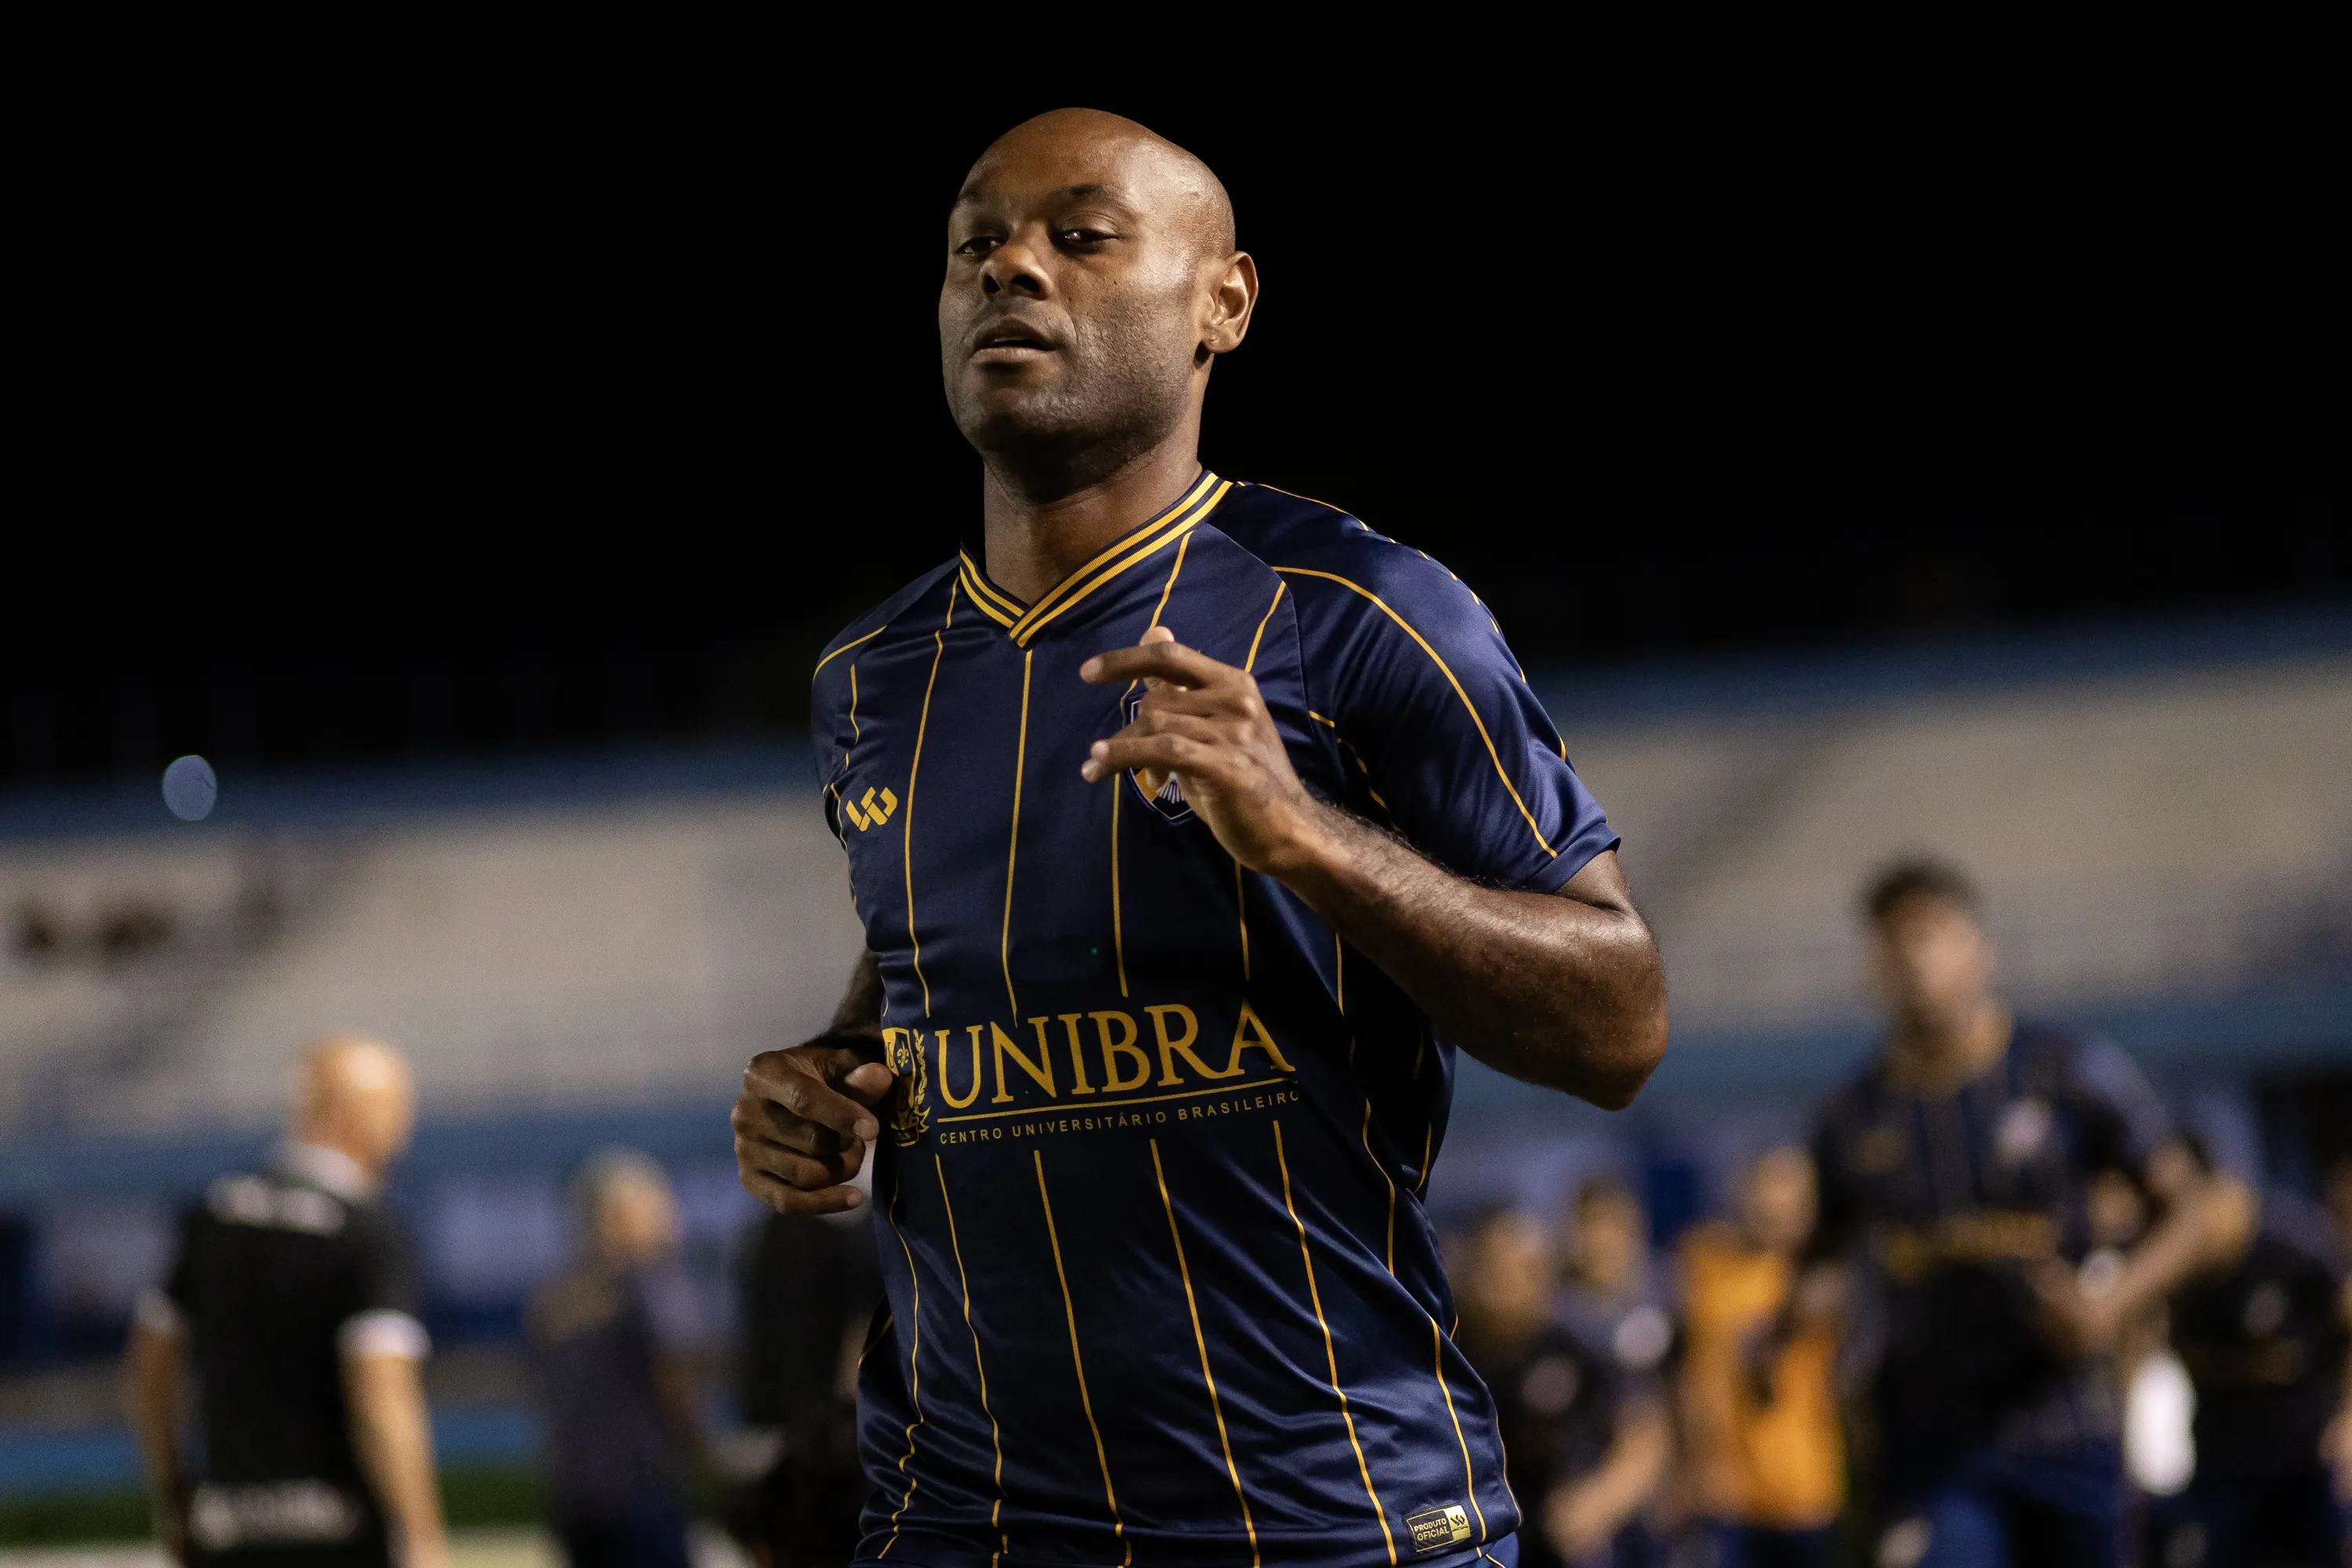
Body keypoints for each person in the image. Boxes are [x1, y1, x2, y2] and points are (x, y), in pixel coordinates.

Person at [731, 107, 1668, 1566]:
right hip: (959, 1524)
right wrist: (828, 1083)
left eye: (1080, 237)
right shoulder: (870, 678)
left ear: (1224, 300)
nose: (1011, 271)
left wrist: (1307, 839)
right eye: (976, 244)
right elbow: (929, 967)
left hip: (1323, 1518)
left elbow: (1620, 1021)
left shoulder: (1361, 611)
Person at [1789, 861, 2235, 1568]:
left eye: (1930, 933)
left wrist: (2110, 1303)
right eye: (1892, 942)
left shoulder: (2065, 1070)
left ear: (1980, 950)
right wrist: (1791, 1325)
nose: (1913, 957)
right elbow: (1818, 1262)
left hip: (2069, 1425)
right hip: (1930, 1447)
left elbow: (2191, 1211)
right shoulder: (1851, 1117)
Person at [123, 1036, 446, 1568]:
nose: (401, 1131)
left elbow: (150, 1370)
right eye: (394, 1110)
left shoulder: (214, 1217)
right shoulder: (366, 1230)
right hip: (339, 1535)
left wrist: (174, 1494)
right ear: (351, 1116)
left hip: (228, 1529)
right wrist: (422, 1538)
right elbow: (381, 1390)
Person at [2150, 1146, 2350, 1567]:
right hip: (2221, 1462)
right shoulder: (2173, 1266)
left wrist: (2347, 1419)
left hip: (2304, 1460)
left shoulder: (2295, 1243)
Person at [526, 1150, 707, 1568]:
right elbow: (674, 1377)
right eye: (657, 1208)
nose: (670, 1221)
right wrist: (704, 1459)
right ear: (618, 1217)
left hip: (573, 1498)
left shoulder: (552, 1298)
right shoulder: (649, 1284)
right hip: (641, 1492)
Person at [1675, 1147, 1842, 1568]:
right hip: (1726, 1495)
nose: (1782, 1203)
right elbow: (1690, 1376)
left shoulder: (1823, 1277)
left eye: (1797, 1190)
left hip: (1808, 1493)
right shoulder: (1706, 1264)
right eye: (1772, 1185)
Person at [1455, 1210, 1630, 1568]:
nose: (1509, 1282)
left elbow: (1643, 1431)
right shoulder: (1454, 1356)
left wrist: (1602, 1497)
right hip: (1481, 1537)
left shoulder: (1573, 1351)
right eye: (1497, 1267)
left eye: (1527, 1269)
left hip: (1563, 1536)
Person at [731, 1201, 883, 1567]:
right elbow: (861, 1333)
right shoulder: (852, 1236)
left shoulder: (762, 1236)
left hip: (774, 1432)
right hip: (822, 1446)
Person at [1551, 1178, 1675, 1566]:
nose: (1606, 1242)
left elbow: (1656, 1422)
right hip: (1572, 1496)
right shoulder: (1554, 1314)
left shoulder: (1662, 1302)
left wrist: (1606, 1499)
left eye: (1619, 1227)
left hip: (1644, 1504)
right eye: (1595, 1226)